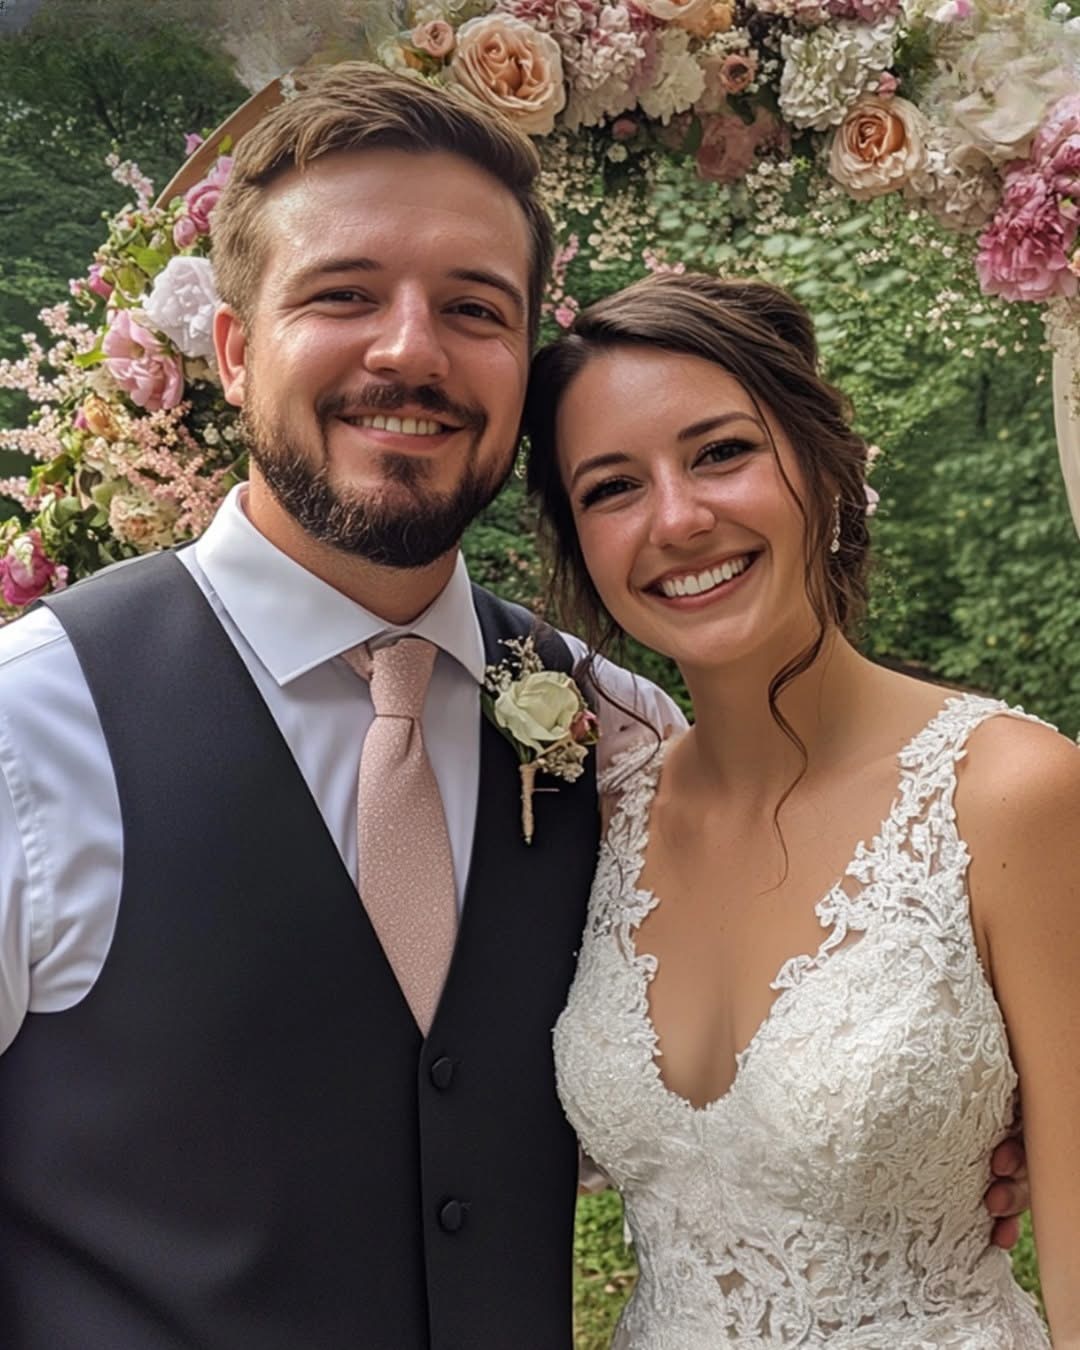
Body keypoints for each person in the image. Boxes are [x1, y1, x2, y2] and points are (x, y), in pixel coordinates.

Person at [0, 65, 1027, 1350]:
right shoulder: (31, 728)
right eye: (343, 294)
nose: (410, 350)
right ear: (235, 350)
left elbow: (731, 1096)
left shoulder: (625, 736)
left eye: (473, 308)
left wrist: (954, 1129)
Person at [526, 271, 1080, 1348]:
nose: (678, 518)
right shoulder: (600, 817)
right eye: (612, 487)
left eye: (721, 453)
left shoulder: (1012, 796)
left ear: (825, 467)